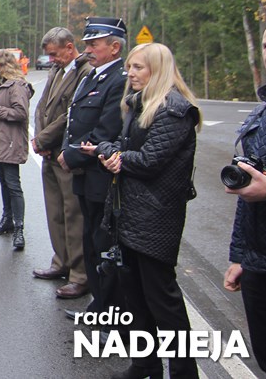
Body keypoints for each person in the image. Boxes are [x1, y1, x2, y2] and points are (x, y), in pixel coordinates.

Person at [91, 42, 201, 379]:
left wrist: (118, 158)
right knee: (135, 298)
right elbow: (122, 146)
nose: (130, 73)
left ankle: (184, 373)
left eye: (138, 67)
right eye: (129, 67)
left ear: (159, 69)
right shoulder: (140, 104)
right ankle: (144, 365)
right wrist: (111, 151)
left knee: (163, 302)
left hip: (156, 218)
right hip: (130, 215)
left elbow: (151, 160)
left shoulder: (174, 109)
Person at [224, 12, 266, 376]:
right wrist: (241, 257)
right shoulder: (264, 112)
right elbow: (248, 194)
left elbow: (264, 190)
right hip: (261, 267)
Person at [58, 17, 127, 316]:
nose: (87, 49)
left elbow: (106, 129)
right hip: (85, 176)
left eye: (93, 44)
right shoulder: (92, 76)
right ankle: (98, 304)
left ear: (114, 47)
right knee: (89, 241)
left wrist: (71, 156)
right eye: (86, 44)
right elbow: (74, 120)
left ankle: (110, 312)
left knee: (103, 245)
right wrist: (67, 150)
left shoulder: (119, 79)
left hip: (101, 174)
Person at [31, 27, 92, 299]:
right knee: (54, 211)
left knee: (73, 215)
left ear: (69, 47)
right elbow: (42, 107)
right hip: (48, 152)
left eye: (55, 54)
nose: (51, 60)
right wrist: (39, 138)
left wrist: (44, 138)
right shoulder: (56, 71)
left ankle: (80, 275)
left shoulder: (85, 72)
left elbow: (71, 115)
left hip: (66, 153)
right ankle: (61, 262)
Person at [0, 48, 34, 249]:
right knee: (4, 182)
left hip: (10, 141)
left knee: (13, 185)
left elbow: (20, 113)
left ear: (3, 64)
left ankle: (19, 228)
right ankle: (7, 220)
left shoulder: (16, 85)